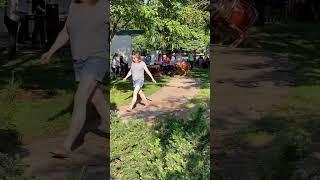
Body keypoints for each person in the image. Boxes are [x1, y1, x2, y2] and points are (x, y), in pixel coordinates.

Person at [39, 0, 108, 158]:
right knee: (97, 100)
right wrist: (50, 52)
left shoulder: (105, 5)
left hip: (97, 58)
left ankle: (66, 146)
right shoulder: (73, 5)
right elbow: (66, 31)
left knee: (81, 96)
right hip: (79, 61)